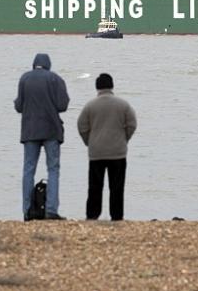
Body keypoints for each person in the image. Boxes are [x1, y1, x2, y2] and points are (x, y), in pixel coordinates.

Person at [15, 53, 70, 220]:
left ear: (34, 65)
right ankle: (51, 210)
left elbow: (19, 106)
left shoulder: (24, 79)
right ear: (48, 65)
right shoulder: (56, 79)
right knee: (53, 169)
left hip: (30, 131)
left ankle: (27, 211)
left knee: (28, 170)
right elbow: (63, 105)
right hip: (51, 130)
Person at [77, 73, 137, 221]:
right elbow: (132, 124)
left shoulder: (90, 106)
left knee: (95, 186)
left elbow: (82, 126)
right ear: (112, 86)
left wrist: (89, 141)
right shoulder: (123, 105)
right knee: (117, 187)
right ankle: (116, 216)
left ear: (97, 87)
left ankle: (92, 215)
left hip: (96, 152)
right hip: (118, 152)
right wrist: (124, 139)